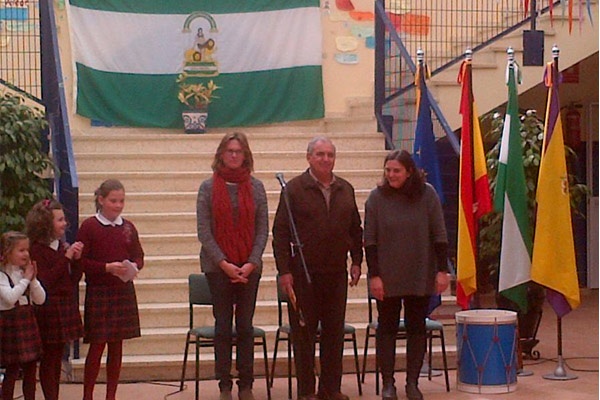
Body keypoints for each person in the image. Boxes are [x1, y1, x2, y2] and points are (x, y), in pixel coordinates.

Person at [272, 136, 363, 400]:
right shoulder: (293, 189)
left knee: (334, 333)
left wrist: (357, 261)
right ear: (309, 157)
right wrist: (284, 271)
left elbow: (355, 229)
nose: (325, 159)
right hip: (303, 275)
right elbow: (280, 233)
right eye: (320, 154)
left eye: (330, 155)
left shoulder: (345, 189)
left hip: (336, 273)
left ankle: (330, 389)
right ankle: (307, 391)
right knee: (304, 336)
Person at [363, 149, 450, 400]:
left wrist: (442, 270)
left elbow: (439, 235)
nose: (391, 175)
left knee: (416, 328)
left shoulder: (427, 195)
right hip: (387, 276)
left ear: (409, 172)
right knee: (387, 329)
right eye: (388, 170)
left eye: (397, 171)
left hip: (419, 273)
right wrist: (375, 276)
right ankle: (388, 384)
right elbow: (370, 240)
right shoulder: (376, 198)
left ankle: (412, 383)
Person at [196, 132, 268, 400]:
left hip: (250, 267)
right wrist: (224, 264)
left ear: (246, 155)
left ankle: (246, 384)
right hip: (217, 268)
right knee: (223, 325)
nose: (235, 155)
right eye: (230, 151)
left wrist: (251, 262)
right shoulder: (207, 188)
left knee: (245, 326)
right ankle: (224, 384)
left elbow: (262, 230)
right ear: (221, 155)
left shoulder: (257, 187)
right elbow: (204, 231)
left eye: (239, 151)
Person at [76, 179, 144, 400]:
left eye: (121, 201)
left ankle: (111, 396)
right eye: (113, 201)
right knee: (97, 346)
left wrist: (133, 267)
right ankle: (87, 395)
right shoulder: (89, 227)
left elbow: (139, 255)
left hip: (122, 290)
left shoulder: (128, 227)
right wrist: (106, 268)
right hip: (99, 291)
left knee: (117, 346)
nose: (118, 205)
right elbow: (81, 262)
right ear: (101, 200)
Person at [25, 198, 84, 400]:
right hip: (48, 308)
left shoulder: (60, 246)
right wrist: (65, 258)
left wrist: (76, 261)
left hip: (65, 304)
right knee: (49, 359)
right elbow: (45, 281)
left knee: (57, 357)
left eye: (64, 219)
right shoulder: (36, 249)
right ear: (45, 224)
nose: (65, 223)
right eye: (60, 220)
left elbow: (72, 280)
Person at [0, 231, 46, 400]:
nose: (26, 254)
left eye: (27, 250)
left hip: (27, 322)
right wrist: (26, 280)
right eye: (21, 250)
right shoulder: (2, 275)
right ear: (7, 252)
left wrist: (33, 280)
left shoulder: (23, 273)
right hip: (11, 324)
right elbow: (10, 298)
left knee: (31, 369)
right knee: (12, 369)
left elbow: (40, 299)